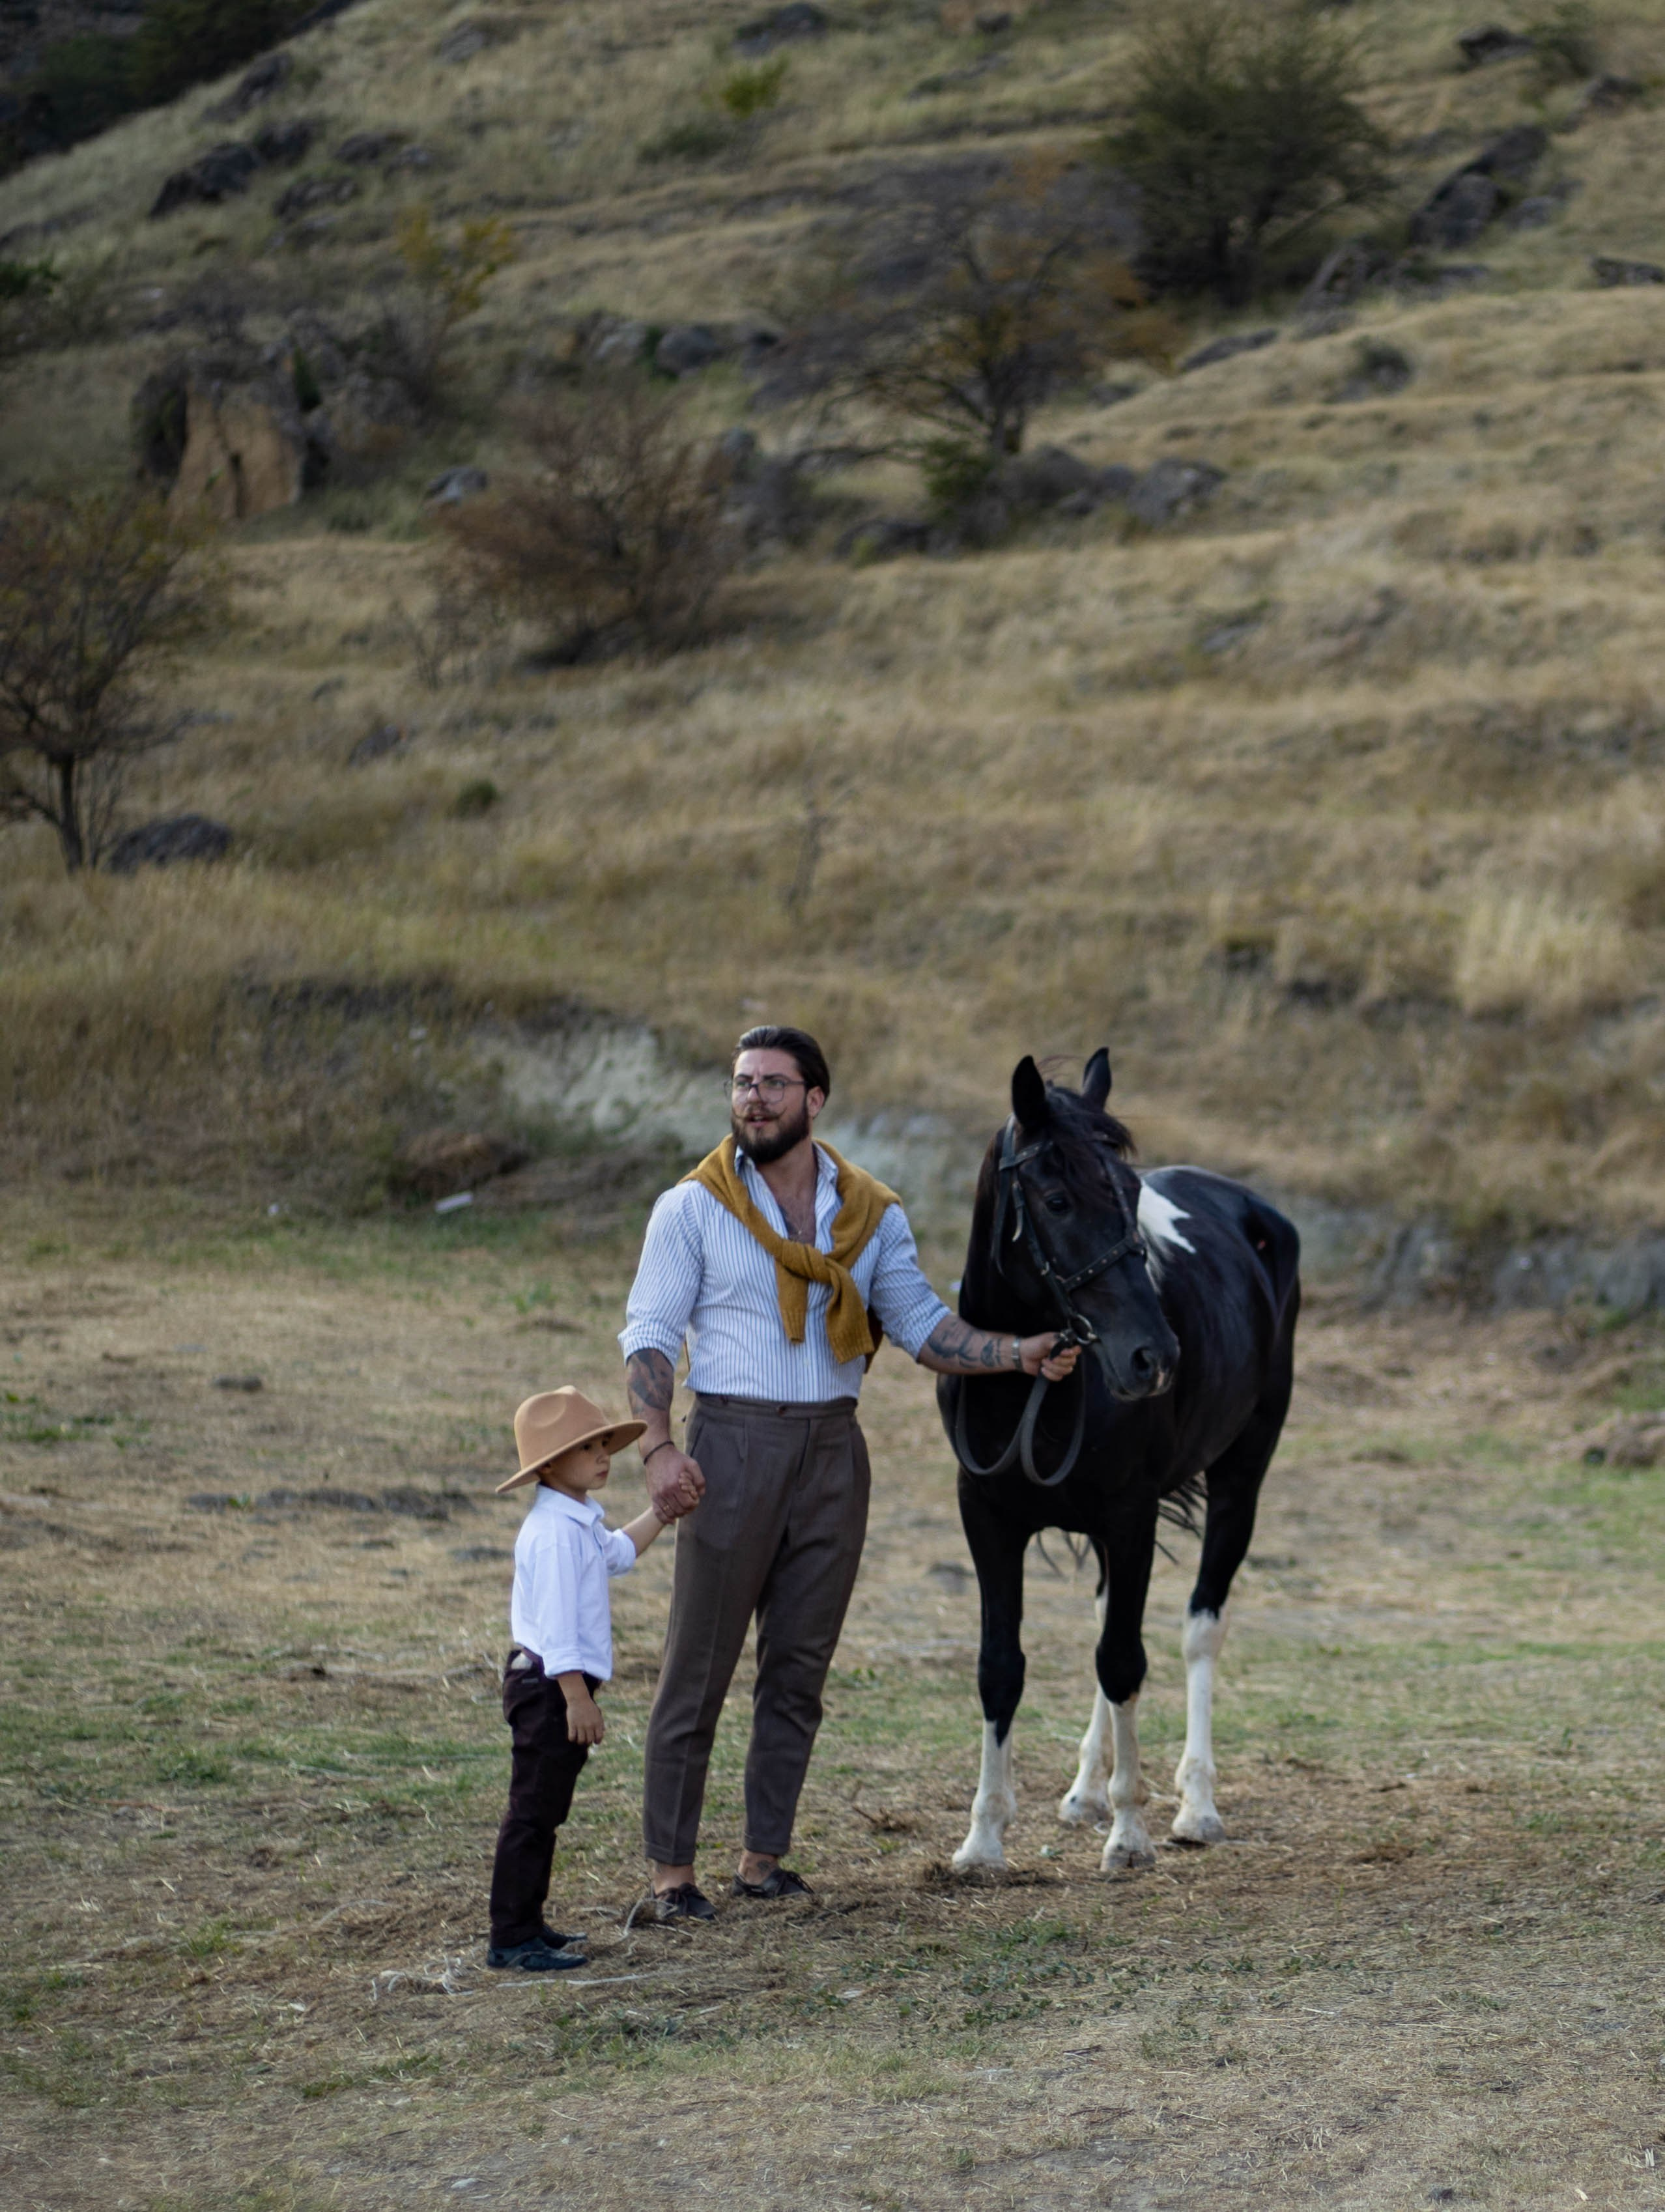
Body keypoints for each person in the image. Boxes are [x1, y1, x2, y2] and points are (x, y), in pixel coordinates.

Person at [619, 1023, 1079, 1922]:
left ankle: (762, 1860)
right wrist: (658, 1447)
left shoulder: (871, 1214)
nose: (752, 1097)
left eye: (774, 1084)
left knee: (798, 1665)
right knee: (698, 1666)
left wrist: (1022, 1352)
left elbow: (922, 1329)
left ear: (815, 1099)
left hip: (834, 1448)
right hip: (730, 1444)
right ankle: (672, 1876)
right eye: (742, 1082)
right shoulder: (694, 1206)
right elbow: (649, 1335)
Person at [486, 1386, 682, 1972]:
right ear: (548, 1465)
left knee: (545, 1811)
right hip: (550, 1685)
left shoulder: (577, 1523)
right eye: (587, 1448)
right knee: (531, 1813)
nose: (603, 1456)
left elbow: (618, 1554)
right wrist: (577, 1699)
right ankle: (510, 1937)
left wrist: (664, 1513)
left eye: (603, 1445)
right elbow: (558, 1631)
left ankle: (527, 1924)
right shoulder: (551, 1534)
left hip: (559, 1686)